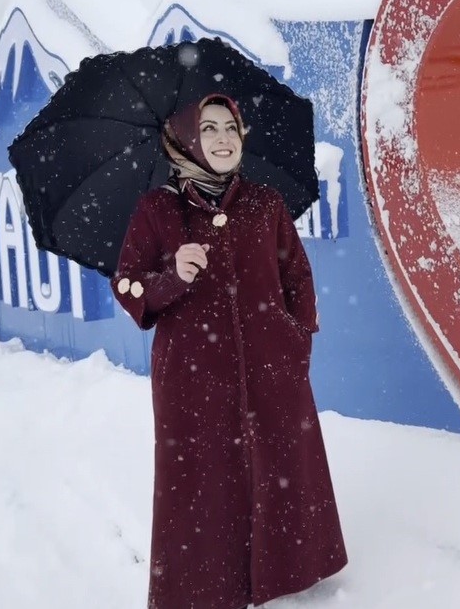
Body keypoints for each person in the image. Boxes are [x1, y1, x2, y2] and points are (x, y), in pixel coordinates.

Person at [110, 93, 347, 608]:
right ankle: (207, 585)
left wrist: (294, 343)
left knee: (280, 468)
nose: (221, 139)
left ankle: (286, 575)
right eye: (209, 129)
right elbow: (127, 283)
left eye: (230, 129)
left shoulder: (265, 204)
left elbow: (297, 277)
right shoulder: (157, 210)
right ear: (185, 141)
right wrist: (172, 278)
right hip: (191, 381)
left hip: (272, 371)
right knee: (202, 483)